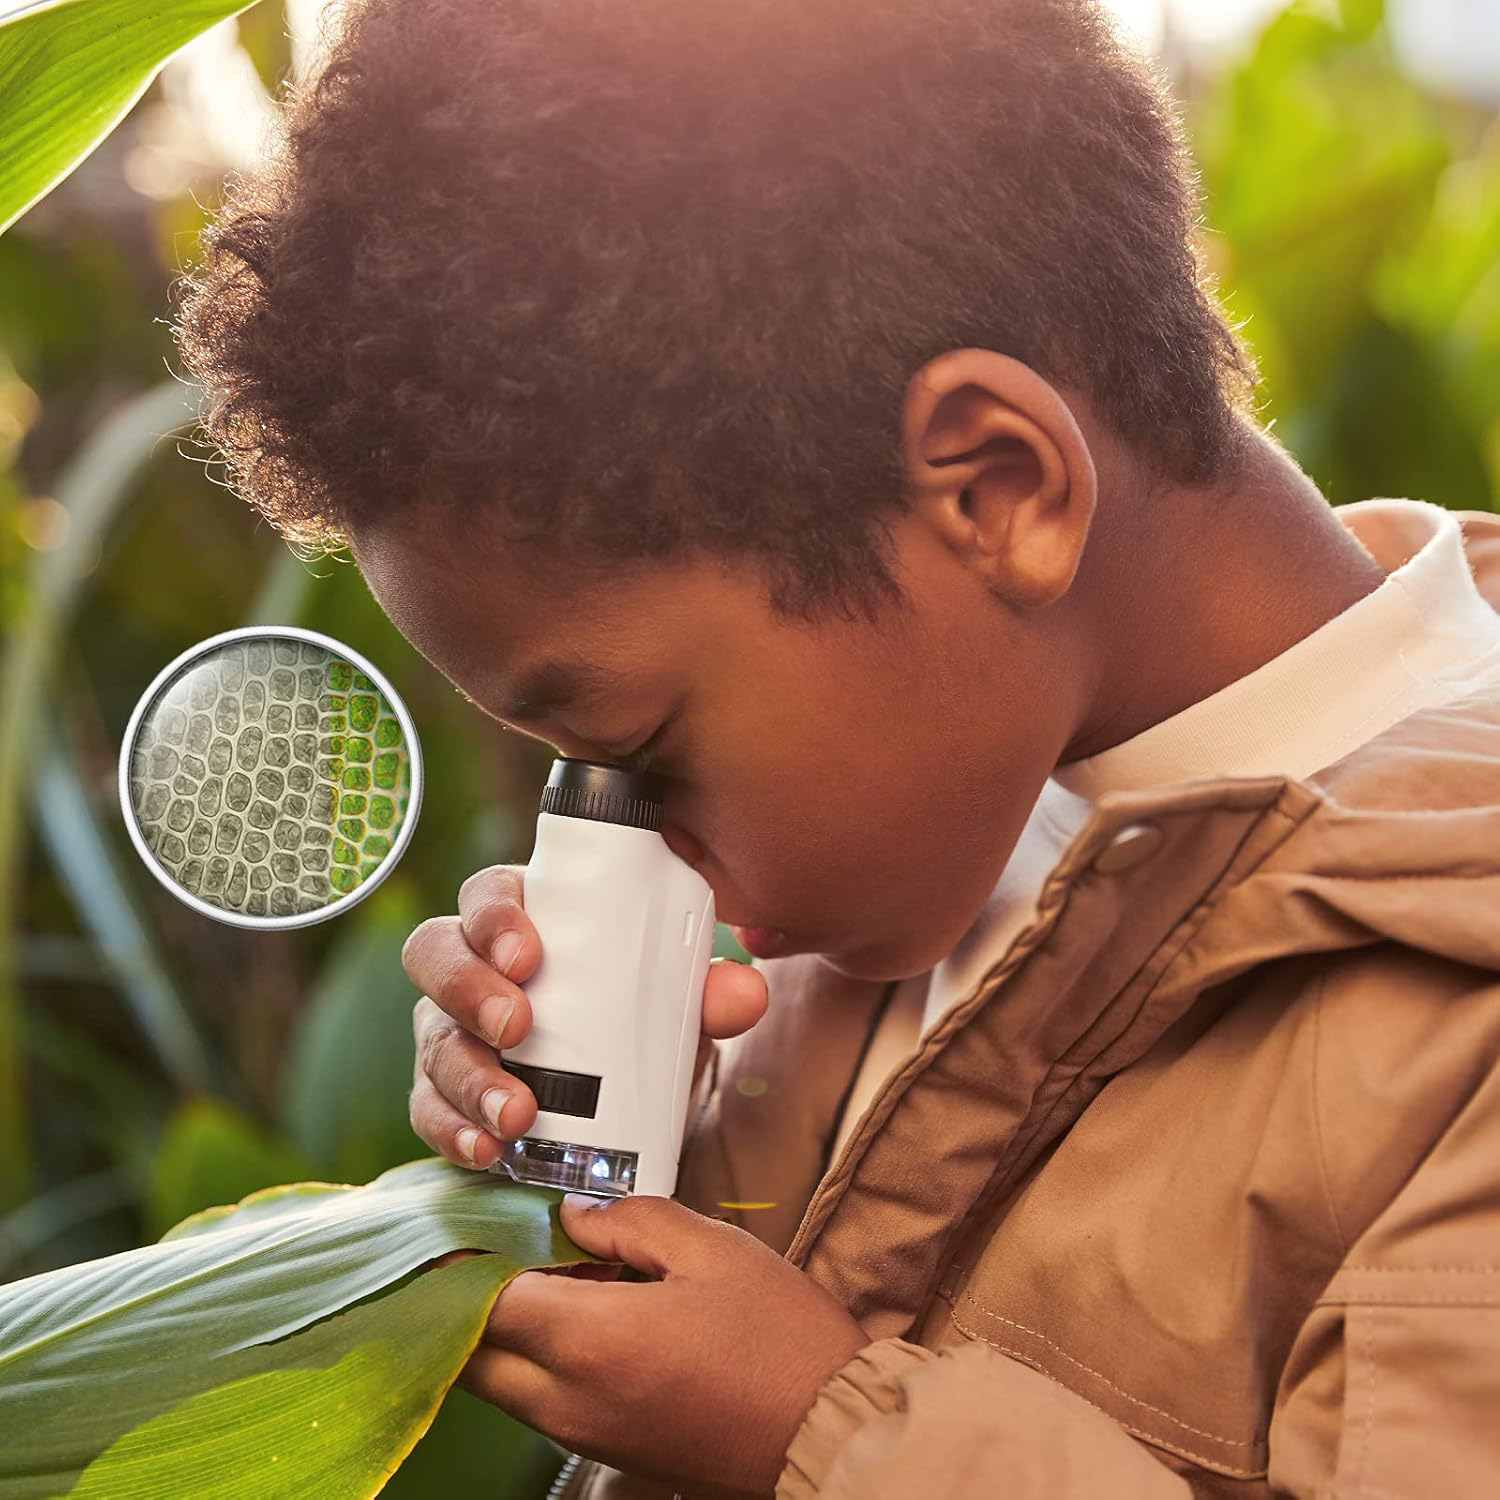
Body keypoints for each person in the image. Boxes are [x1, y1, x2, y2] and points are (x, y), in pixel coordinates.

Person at [169, 0, 1500, 1494]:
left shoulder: (1462, 1018)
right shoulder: (944, 809)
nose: (639, 846)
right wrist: (643, 1148)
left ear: (997, 489)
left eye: (640, 750)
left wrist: (818, 1434)